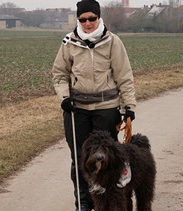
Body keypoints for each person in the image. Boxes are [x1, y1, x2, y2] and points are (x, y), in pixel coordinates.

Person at [52, 0, 136, 210]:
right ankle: (84, 204)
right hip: (76, 111)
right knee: (80, 159)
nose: (87, 23)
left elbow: (124, 76)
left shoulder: (113, 42)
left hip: (106, 109)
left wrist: (129, 107)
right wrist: (64, 97)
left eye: (91, 18)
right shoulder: (68, 43)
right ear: (78, 20)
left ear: (98, 18)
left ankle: (108, 203)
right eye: (82, 19)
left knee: (107, 159)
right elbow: (59, 74)